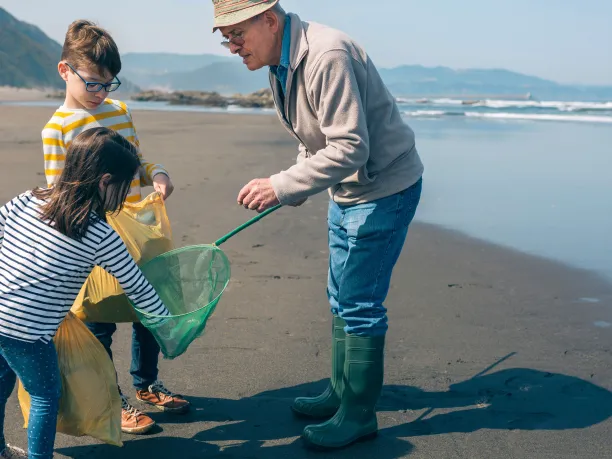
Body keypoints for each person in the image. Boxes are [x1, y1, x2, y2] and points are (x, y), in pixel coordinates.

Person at [212, 0, 424, 449]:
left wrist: (282, 185)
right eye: (225, 37)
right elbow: (314, 140)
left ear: (269, 21)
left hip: (384, 189)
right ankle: (341, 392)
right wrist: (297, 186)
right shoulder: (279, 64)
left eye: (236, 35)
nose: (231, 47)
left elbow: (351, 147)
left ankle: (359, 416)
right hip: (346, 190)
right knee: (339, 295)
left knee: (359, 302)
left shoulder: (327, 55)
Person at [41, 20, 188, 435]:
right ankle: (114, 398)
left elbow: (138, 161)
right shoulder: (57, 129)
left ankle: (146, 384)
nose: (102, 93)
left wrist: (158, 174)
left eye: (110, 84)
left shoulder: (119, 111)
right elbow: (60, 192)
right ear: (65, 71)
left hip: (139, 227)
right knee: (98, 320)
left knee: (146, 308)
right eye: (93, 84)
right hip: (92, 235)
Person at [0, 128, 171, 459]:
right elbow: (135, 284)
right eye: (125, 187)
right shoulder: (98, 232)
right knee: (46, 394)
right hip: (29, 332)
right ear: (105, 182)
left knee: (1, 381)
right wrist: (167, 321)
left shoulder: (30, 197)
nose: (125, 196)